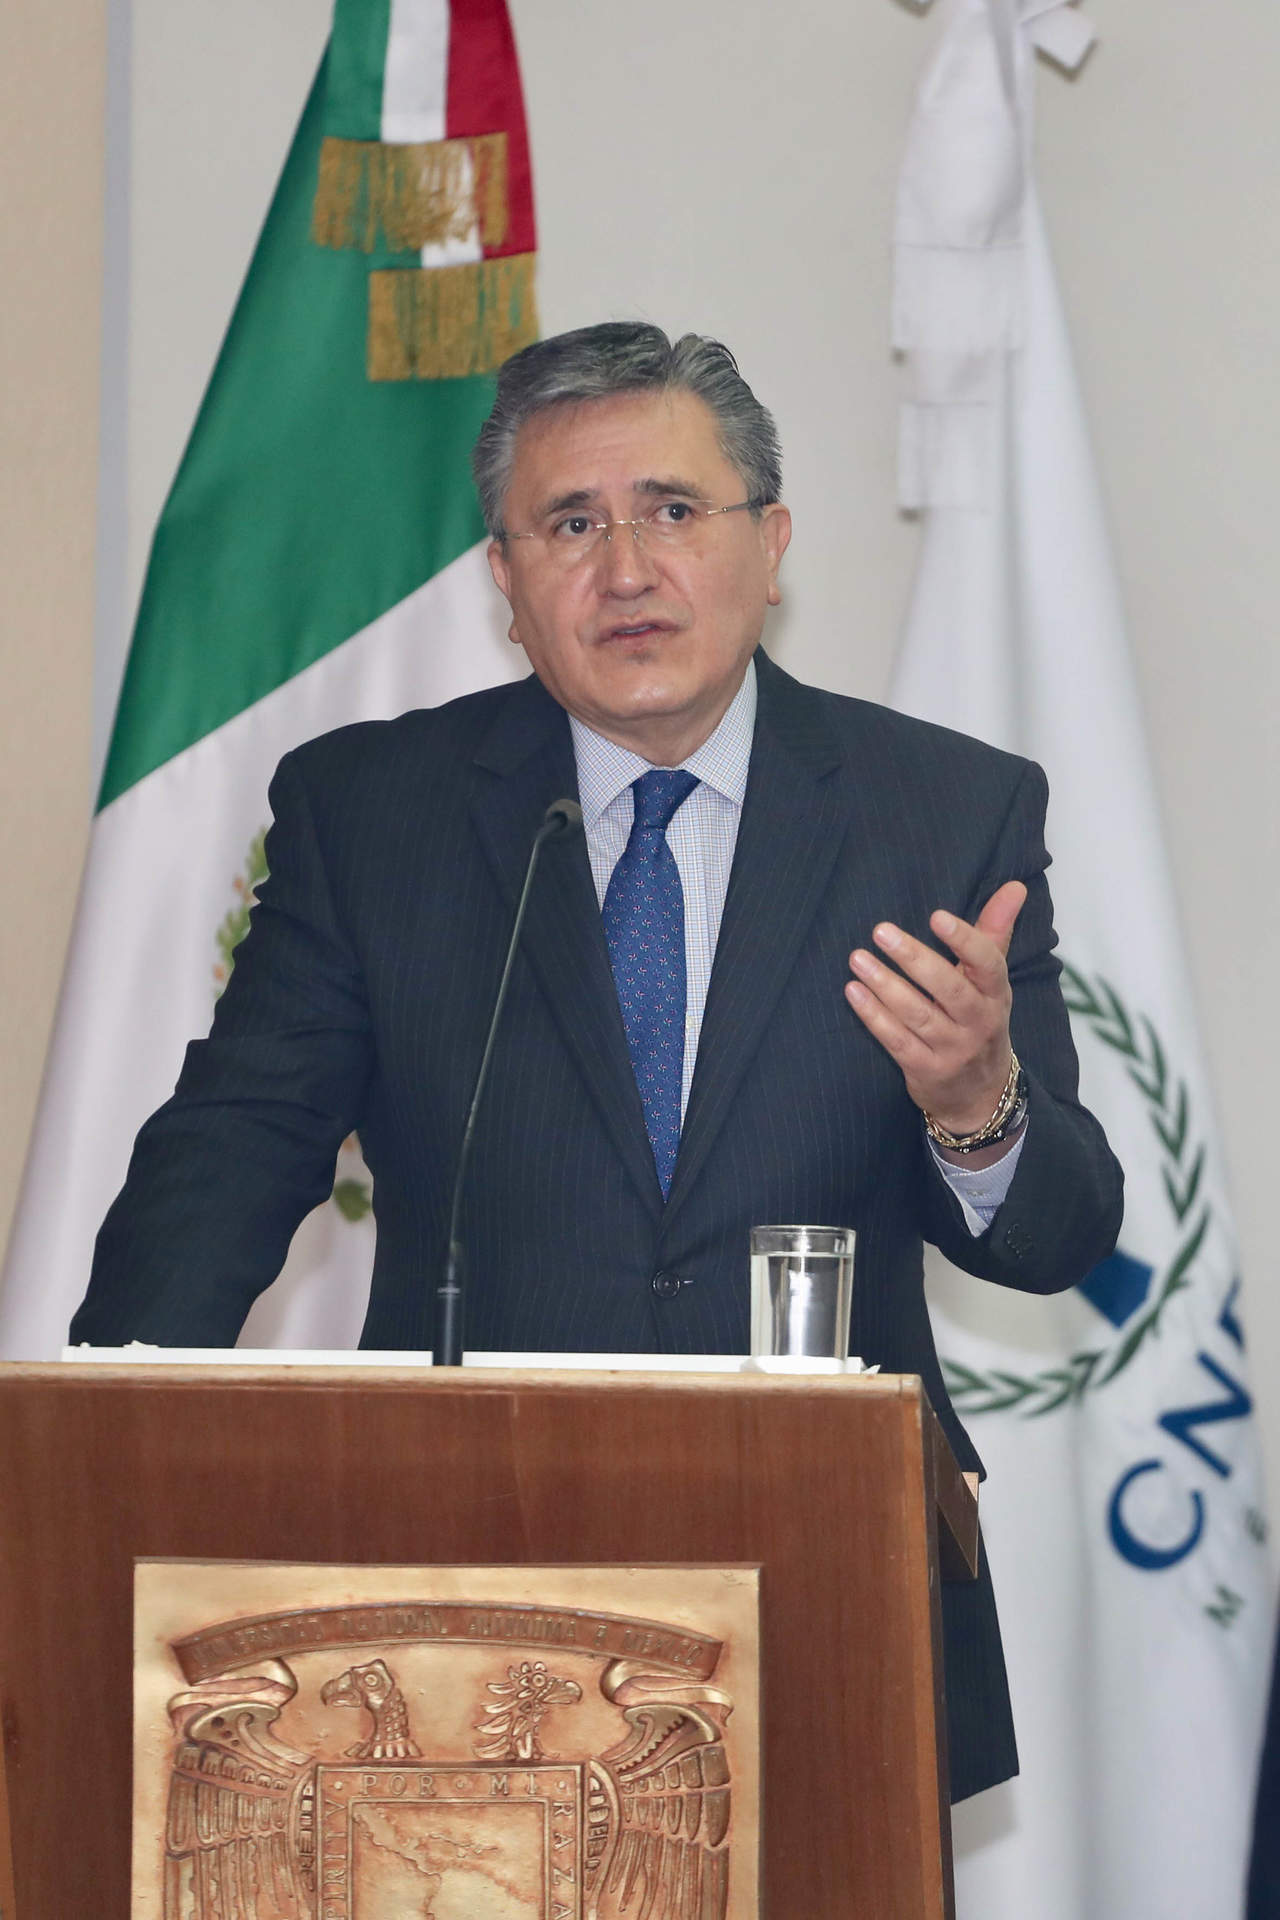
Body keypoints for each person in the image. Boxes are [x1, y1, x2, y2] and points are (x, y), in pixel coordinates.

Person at [71, 320, 1123, 1801]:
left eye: (673, 511)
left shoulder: (941, 813)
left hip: (831, 1595)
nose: (626, 570)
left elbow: (1058, 1235)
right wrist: (90, 1453)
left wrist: (975, 1106)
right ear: (506, 583)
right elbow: (230, 1155)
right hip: (450, 1606)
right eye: (571, 524)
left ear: (771, 544)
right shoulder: (375, 813)